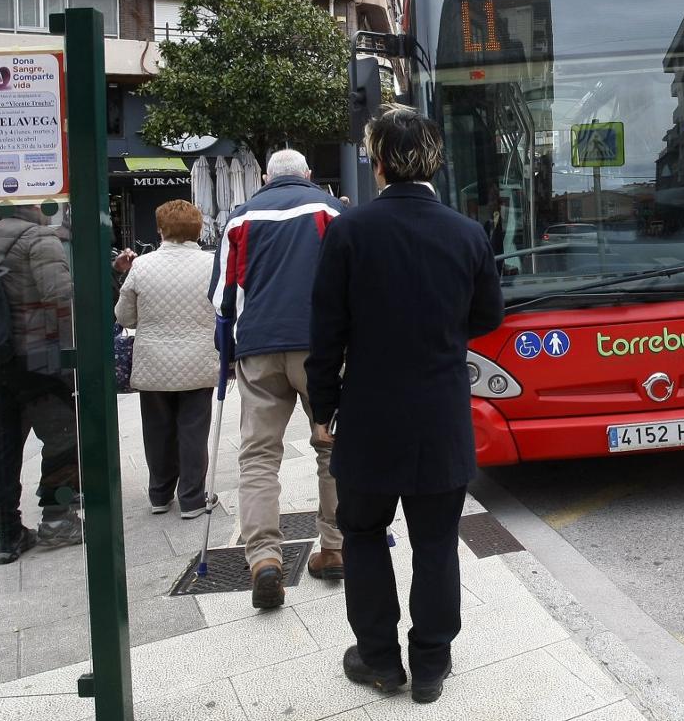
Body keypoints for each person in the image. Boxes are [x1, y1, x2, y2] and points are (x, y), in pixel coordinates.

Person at [306, 104, 504, 704]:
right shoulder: (467, 233)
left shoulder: (349, 231)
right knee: (437, 539)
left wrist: (322, 409)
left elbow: (326, 332)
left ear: (381, 161)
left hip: (369, 414)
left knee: (363, 532)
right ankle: (432, 665)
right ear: (433, 161)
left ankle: (379, 661)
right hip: (441, 413)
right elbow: (488, 317)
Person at [210, 148, 347, 609]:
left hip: (258, 347)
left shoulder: (238, 219)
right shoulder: (332, 211)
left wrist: (225, 353)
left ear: (266, 177)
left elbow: (222, 297)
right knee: (332, 447)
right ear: (310, 175)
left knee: (258, 456)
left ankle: (265, 559)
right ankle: (335, 546)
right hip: (322, 348)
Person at [0, 205, 82, 564]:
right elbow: (60, 295)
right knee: (62, 436)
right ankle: (57, 518)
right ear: (32, 208)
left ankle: (7, 532)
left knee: (3, 442)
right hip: (38, 358)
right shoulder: (40, 239)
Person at [115, 200, 219, 518]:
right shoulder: (212, 264)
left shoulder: (142, 266)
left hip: (153, 362)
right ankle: (191, 498)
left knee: (157, 429)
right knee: (193, 428)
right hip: (199, 359)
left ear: (160, 230)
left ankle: (160, 495)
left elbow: (125, 316)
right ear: (198, 231)